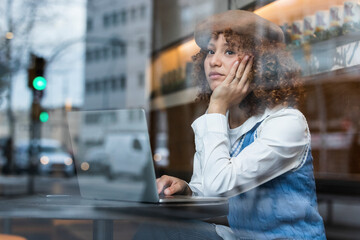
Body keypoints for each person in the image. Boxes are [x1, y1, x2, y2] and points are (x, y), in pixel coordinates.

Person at [152, 10, 327, 239]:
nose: (213, 61)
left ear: (261, 63)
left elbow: (219, 184)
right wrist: (188, 189)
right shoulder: (220, 120)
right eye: (211, 51)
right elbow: (210, 190)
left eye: (230, 51)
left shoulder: (287, 122)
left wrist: (217, 106)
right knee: (160, 228)